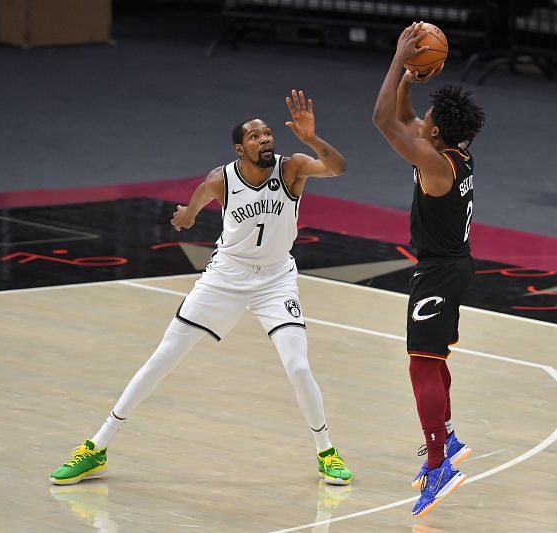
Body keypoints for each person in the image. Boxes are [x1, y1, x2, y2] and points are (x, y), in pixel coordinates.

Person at [50, 89, 353, 487]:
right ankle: (96, 447)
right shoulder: (221, 180)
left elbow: (338, 169)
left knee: (297, 366)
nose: (265, 139)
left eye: (267, 134)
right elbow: (200, 196)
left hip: (276, 278)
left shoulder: (292, 168)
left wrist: (312, 139)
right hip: (225, 277)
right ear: (239, 148)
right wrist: (189, 215)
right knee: (162, 359)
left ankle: (326, 452)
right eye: (255, 136)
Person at [372, 22, 486, 518]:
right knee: (434, 360)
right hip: (450, 265)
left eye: (428, 117)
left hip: (439, 272)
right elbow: (401, 115)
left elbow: (383, 121)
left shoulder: (435, 165)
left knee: (421, 363)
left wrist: (400, 59)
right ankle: (450, 438)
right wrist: (408, 83)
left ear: (434, 132)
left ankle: (439, 463)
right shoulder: (450, 155)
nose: (420, 120)